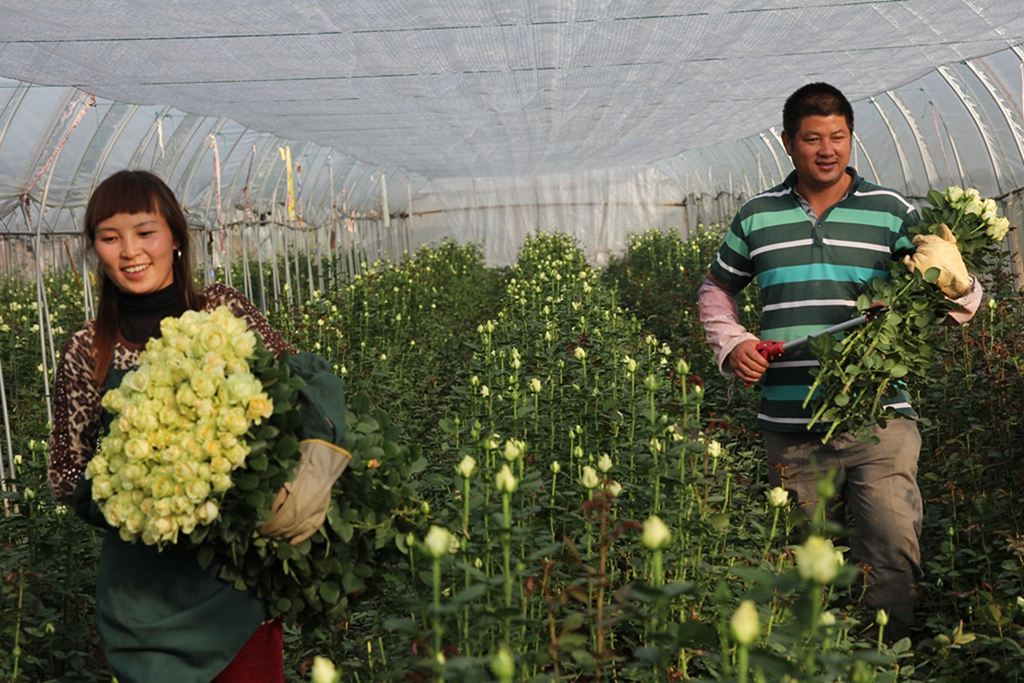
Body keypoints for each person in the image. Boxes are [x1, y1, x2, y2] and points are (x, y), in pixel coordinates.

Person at [698, 83, 981, 642]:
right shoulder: (757, 216)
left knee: (893, 549)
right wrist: (733, 343)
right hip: (791, 423)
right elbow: (716, 288)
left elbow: (953, 300)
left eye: (838, 136)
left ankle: (888, 659)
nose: (826, 150)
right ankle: (821, 661)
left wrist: (960, 284)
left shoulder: (891, 212)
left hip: (880, 416)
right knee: (810, 561)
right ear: (788, 143)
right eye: (812, 139)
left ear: (851, 138)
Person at [47, 170, 348, 682]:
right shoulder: (88, 348)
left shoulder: (223, 309)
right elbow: (65, 472)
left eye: (145, 232)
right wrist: (140, 496)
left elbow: (298, 383)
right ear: (95, 249)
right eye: (110, 237)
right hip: (145, 603)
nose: (130, 251)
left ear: (176, 238)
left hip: (237, 589)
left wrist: (302, 471)